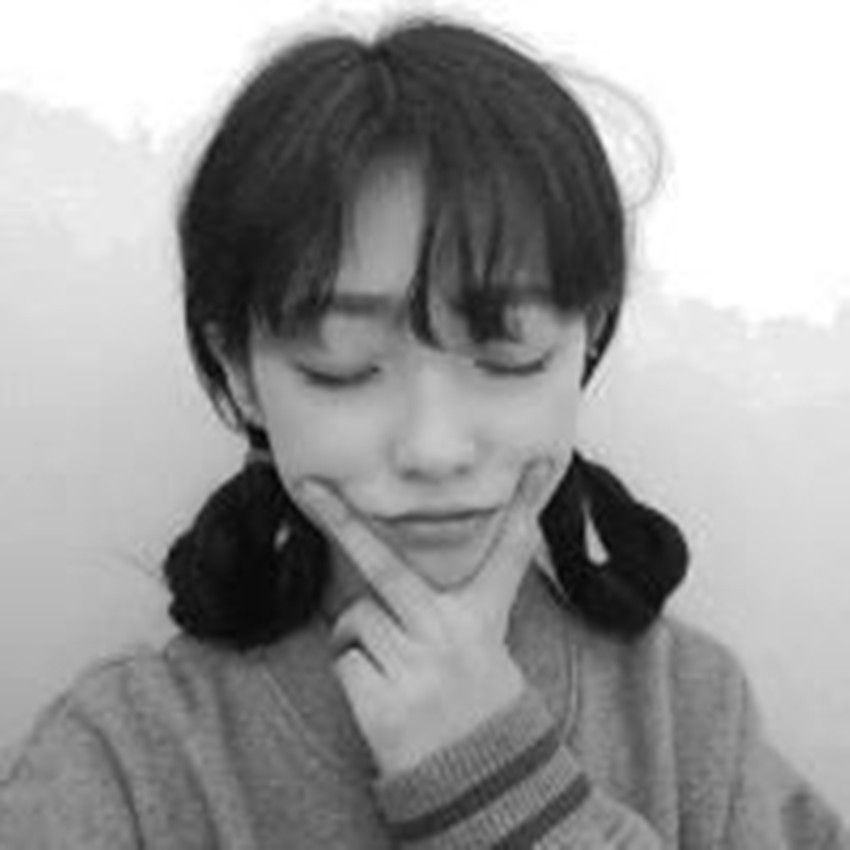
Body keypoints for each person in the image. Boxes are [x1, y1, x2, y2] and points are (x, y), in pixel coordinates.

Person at [1, 14, 847, 849]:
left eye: (508, 354)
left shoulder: (691, 711)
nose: (435, 449)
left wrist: (508, 795)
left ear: (585, 340)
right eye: (341, 365)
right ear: (239, 372)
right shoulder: (122, 763)